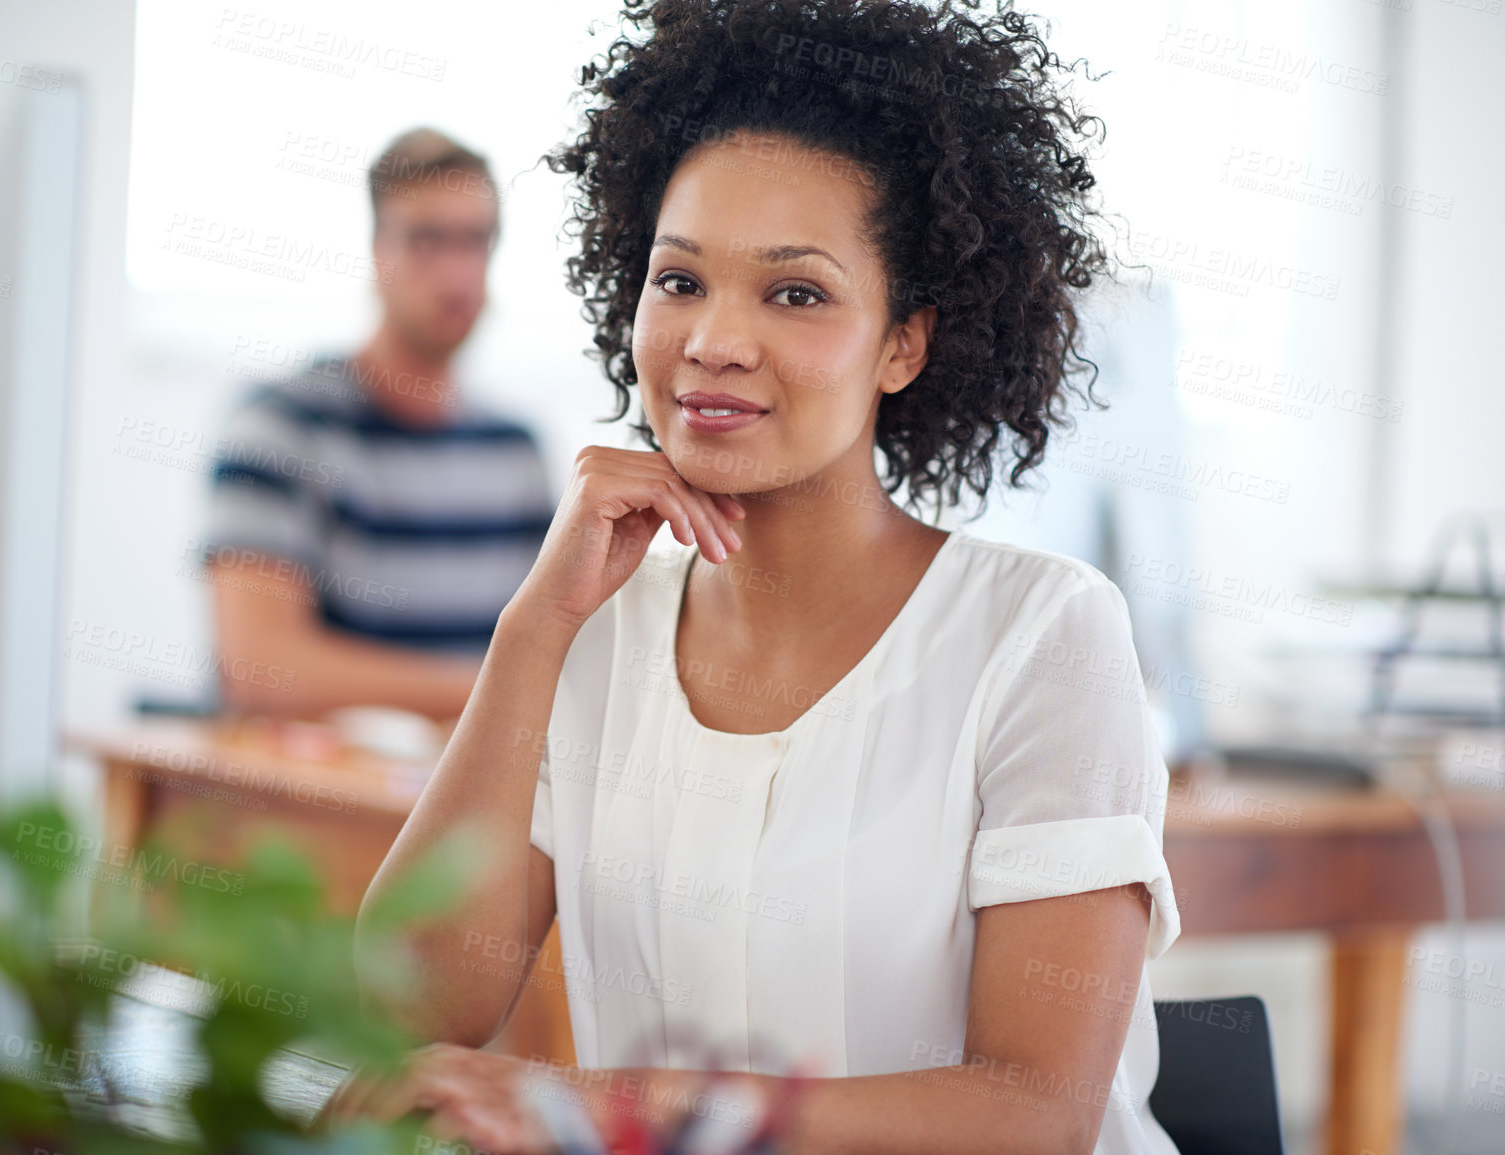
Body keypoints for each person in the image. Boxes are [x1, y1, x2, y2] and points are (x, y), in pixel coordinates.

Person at [340, 3, 1182, 1153]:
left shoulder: (1041, 636)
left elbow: (1033, 1115)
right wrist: (534, 628)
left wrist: (603, 1105)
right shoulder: (595, 631)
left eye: (796, 294)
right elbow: (406, 1011)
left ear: (905, 343)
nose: (714, 340)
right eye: (679, 281)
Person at [203, 128, 554, 722]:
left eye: (476, 241)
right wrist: (494, 692)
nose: (456, 272)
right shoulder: (281, 432)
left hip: (470, 801)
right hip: (316, 805)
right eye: (426, 240)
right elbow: (259, 670)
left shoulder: (515, 452)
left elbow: (553, 649)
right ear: (376, 250)